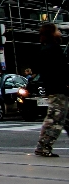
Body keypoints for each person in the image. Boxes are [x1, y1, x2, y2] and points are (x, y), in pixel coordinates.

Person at [34, 23, 69, 157]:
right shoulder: (53, 49)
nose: (60, 32)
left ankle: (43, 146)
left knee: (62, 118)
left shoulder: (45, 49)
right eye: (57, 30)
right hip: (59, 89)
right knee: (55, 119)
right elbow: (60, 70)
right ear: (52, 33)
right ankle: (43, 147)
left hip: (55, 88)